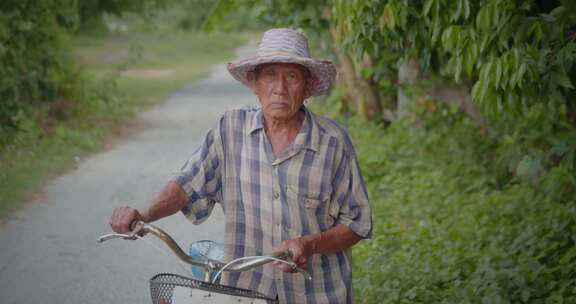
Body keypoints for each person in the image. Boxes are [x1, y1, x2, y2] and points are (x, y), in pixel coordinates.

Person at [109, 28, 372, 303]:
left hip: (317, 294)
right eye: (270, 75)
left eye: (291, 76)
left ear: (307, 87)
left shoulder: (333, 143)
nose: (279, 88)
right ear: (254, 83)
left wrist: (311, 243)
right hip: (246, 292)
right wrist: (144, 215)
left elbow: (357, 222)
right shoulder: (230, 128)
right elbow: (188, 184)